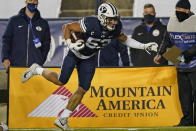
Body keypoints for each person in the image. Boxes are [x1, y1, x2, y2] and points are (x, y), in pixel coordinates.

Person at [21, 2, 158, 130]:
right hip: (74, 53)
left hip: (89, 57)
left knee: (82, 88)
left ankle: (63, 119)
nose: (113, 22)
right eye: (110, 19)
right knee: (61, 81)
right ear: (102, 17)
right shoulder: (91, 23)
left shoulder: (115, 27)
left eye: (114, 19)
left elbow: (124, 39)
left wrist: (143, 46)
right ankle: (37, 69)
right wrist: (71, 44)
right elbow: (67, 27)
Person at [154, 0, 196, 126]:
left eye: (181, 11)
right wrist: (160, 53)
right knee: (184, 96)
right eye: (176, 10)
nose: (178, 13)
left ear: (187, 11)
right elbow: (167, 39)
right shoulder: (172, 21)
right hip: (180, 64)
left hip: (194, 65)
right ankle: (187, 122)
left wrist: (188, 53)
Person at [1, 0, 51, 70]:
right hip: (15, 66)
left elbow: (46, 45)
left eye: (35, 0)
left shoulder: (43, 23)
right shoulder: (14, 21)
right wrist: (5, 58)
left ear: (38, 2)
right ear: (26, 1)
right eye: (30, 0)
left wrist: (40, 61)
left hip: (35, 69)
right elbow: (6, 41)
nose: (33, 2)